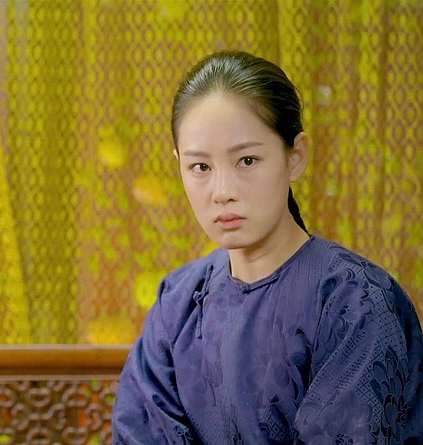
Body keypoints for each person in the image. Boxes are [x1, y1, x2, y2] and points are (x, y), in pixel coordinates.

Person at [112, 50, 423, 444]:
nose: (222, 192)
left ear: (295, 156)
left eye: (247, 160)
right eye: (200, 167)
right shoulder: (177, 303)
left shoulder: (355, 301)